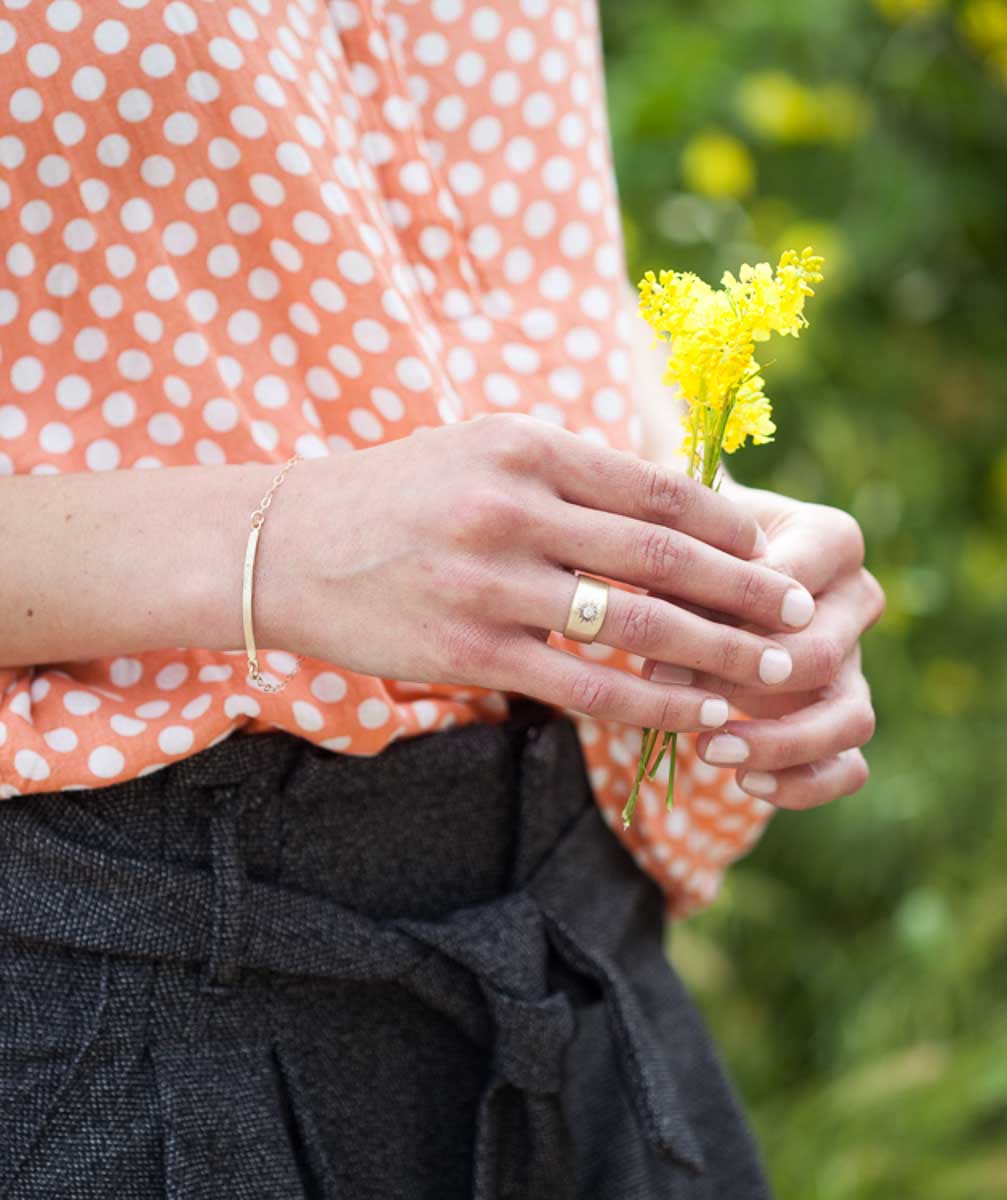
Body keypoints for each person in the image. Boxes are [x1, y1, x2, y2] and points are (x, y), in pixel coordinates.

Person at [0, 1, 885, 1196]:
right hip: (107, 999)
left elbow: (473, 331)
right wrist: (274, 546)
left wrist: (712, 550)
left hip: (579, 962)